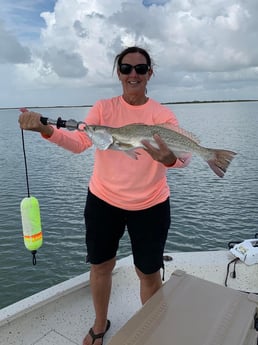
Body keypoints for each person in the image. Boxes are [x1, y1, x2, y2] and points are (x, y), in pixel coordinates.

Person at [19, 46, 190, 345]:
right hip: (103, 202)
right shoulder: (103, 108)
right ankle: (100, 324)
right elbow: (80, 141)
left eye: (140, 68)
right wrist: (46, 130)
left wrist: (169, 160)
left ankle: (150, 329)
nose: (133, 74)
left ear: (150, 73)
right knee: (100, 266)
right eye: (126, 68)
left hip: (150, 205)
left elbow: (183, 157)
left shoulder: (162, 115)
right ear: (118, 73)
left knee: (148, 273)